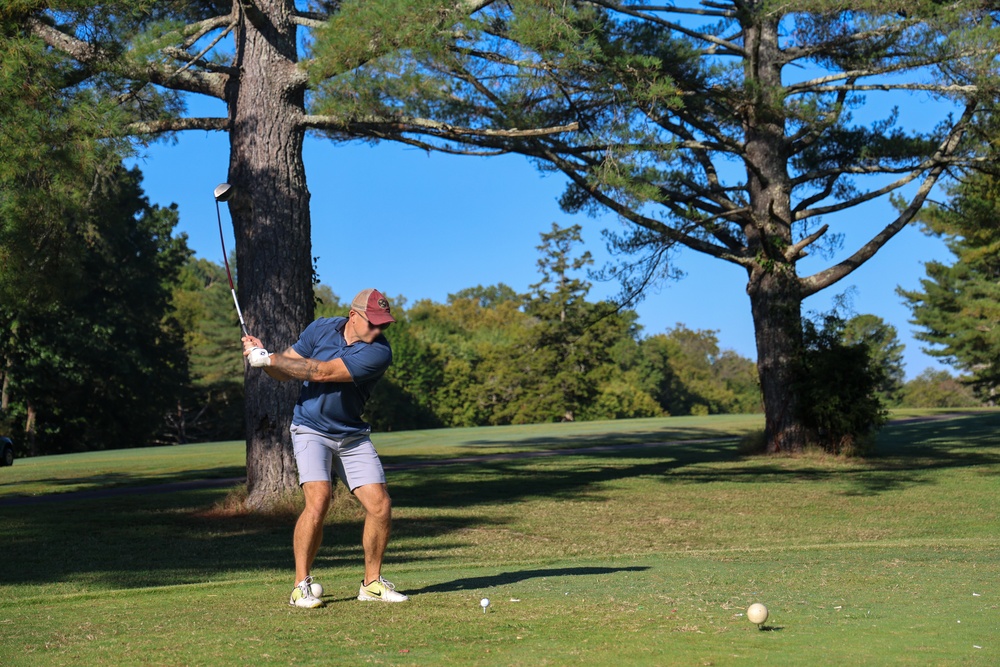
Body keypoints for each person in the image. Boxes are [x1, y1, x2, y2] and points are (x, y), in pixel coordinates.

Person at [242, 288, 408, 608]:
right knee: (319, 500)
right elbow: (285, 368)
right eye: (373, 323)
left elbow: (322, 371)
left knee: (380, 505)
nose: (378, 331)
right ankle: (300, 586)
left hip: (351, 435)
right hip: (310, 429)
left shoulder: (378, 353)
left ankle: (371, 584)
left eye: (383, 325)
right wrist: (263, 360)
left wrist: (272, 359)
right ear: (353, 315)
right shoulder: (321, 329)